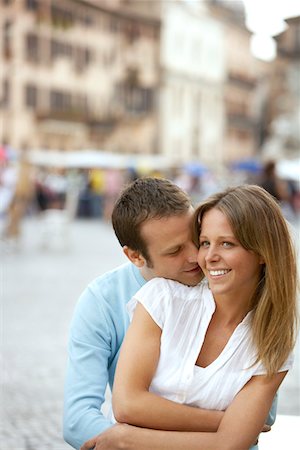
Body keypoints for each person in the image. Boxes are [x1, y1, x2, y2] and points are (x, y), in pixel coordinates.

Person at [64, 179, 276, 450]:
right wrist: (226, 425)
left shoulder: (228, 280)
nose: (197, 257)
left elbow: (263, 417)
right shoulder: (103, 301)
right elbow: (78, 421)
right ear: (135, 257)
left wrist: (140, 436)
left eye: (196, 240)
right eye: (175, 251)